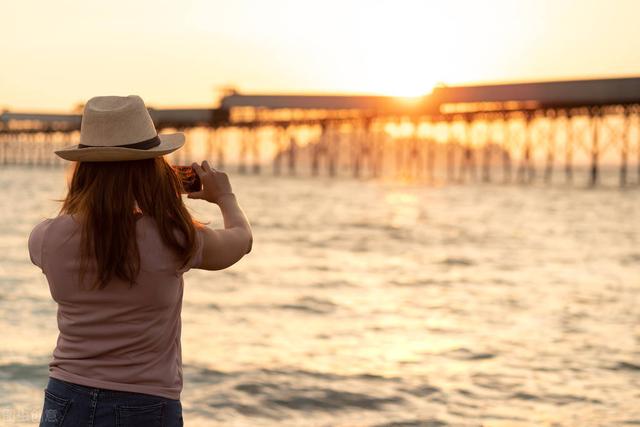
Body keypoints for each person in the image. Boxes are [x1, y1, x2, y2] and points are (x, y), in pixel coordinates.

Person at [29, 95, 252, 427]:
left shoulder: (46, 237)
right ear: (153, 169)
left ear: (83, 170)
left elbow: (87, 224)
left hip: (65, 398)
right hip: (144, 405)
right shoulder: (174, 237)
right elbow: (240, 241)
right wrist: (224, 197)